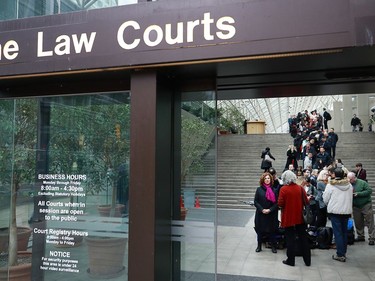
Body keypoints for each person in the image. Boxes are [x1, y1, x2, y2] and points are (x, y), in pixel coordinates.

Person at [278, 170, 311, 267]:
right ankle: (307, 261)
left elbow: (280, 203)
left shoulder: (283, 189)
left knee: (290, 240)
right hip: (300, 217)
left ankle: (291, 260)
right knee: (303, 238)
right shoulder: (300, 188)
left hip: (288, 218)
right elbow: (306, 202)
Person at [323, 168, 353, 262]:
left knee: (338, 233)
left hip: (335, 211)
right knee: (344, 232)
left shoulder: (331, 185)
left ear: (334, 175)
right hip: (346, 211)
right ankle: (343, 252)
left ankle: (340, 254)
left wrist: (329, 204)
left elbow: (326, 198)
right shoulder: (349, 185)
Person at [254, 173, 279, 253]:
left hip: (271, 214)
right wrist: (262, 209)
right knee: (260, 231)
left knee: (272, 231)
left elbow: (277, 203)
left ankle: (273, 246)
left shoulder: (274, 190)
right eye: (265, 178)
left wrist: (270, 210)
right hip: (261, 214)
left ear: (271, 180)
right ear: (263, 180)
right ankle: (259, 246)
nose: (267, 180)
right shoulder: (259, 189)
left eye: (268, 178)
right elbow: (256, 201)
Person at [347, 172, 375, 245]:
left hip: (365, 205)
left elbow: (369, 191)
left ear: (354, 178)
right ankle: (360, 235)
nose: (349, 180)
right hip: (356, 206)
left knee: (370, 221)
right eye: (348, 179)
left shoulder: (362, 183)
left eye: (350, 179)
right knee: (358, 222)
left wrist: (359, 194)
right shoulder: (348, 184)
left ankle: (372, 237)